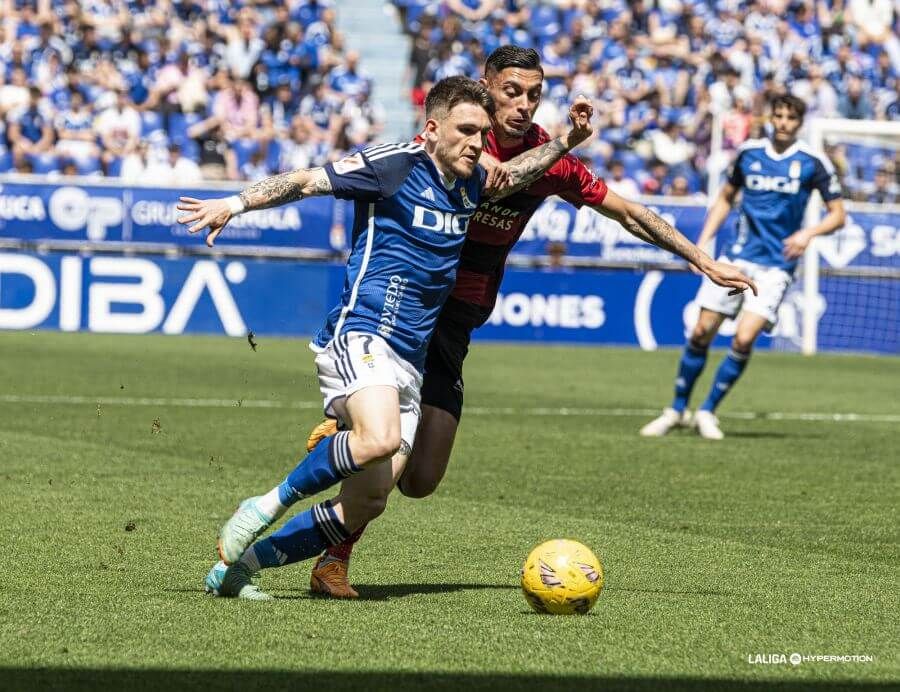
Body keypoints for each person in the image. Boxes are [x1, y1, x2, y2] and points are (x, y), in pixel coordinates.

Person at [304, 46, 757, 598]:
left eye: (535, 94)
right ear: (485, 88)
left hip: (461, 316)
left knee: (422, 480)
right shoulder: (463, 142)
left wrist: (702, 260)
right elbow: (491, 179)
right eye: (511, 91)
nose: (523, 105)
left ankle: (355, 437)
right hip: (410, 302)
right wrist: (561, 143)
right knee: (390, 458)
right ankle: (333, 559)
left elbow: (630, 212)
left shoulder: (550, 157)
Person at [177, 75, 596, 599]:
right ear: (431, 129)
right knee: (379, 439)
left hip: (409, 361)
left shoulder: (472, 179)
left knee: (368, 502)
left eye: (481, 133)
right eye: (466, 131)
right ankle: (264, 505)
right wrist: (235, 204)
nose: (476, 143)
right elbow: (306, 181)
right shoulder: (393, 165)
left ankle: (240, 568)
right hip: (362, 333)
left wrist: (566, 142)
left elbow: (514, 172)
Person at [641, 94, 845, 441]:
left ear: (800, 123)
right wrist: (702, 244)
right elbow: (725, 198)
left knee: (745, 337)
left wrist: (808, 233)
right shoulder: (749, 153)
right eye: (777, 115)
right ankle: (676, 409)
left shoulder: (813, 162)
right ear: (770, 118)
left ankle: (706, 412)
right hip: (736, 255)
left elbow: (838, 214)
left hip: (777, 264)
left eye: (790, 118)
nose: (783, 122)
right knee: (702, 331)